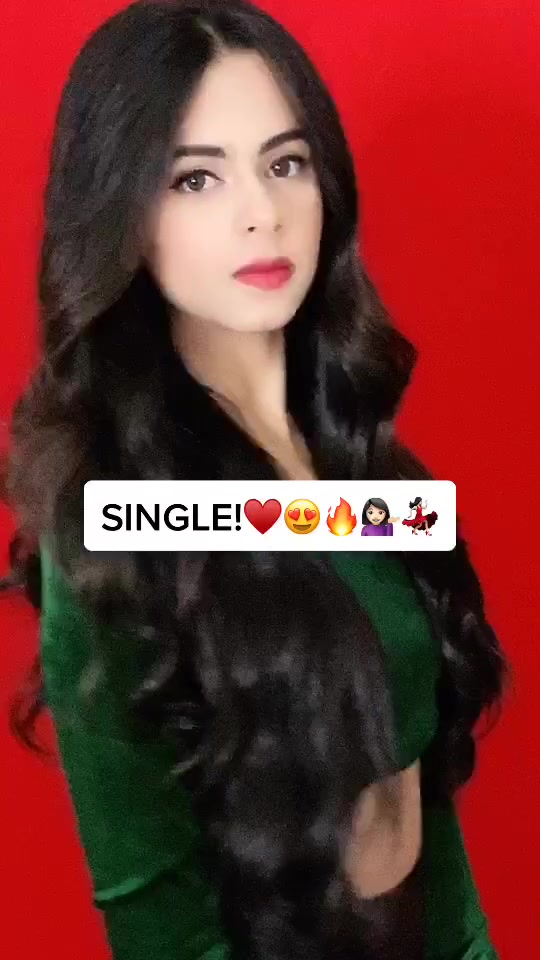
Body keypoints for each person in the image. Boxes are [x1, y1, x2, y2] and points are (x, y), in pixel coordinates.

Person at [2, 1, 509, 958]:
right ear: (122, 214)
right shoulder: (113, 528)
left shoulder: (365, 473)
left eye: (286, 163)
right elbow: (161, 925)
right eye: (195, 177)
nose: (260, 213)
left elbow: (425, 804)